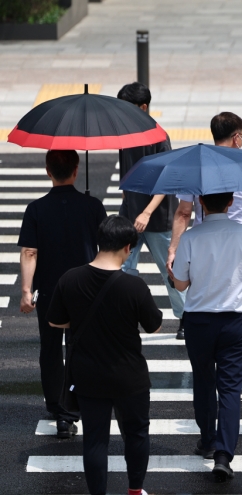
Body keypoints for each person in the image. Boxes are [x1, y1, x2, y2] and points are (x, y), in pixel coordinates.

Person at [46, 215, 162, 495]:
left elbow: (55, 322)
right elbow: (154, 325)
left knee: (95, 441)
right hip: (129, 376)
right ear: (127, 247)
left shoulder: (70, 279)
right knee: (136, 435)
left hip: (88, 375)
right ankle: (135, 490)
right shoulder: (134, 286)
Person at [171, 192, 242, 482]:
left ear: (200, 201)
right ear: (230, 203)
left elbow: (181, 283)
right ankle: (224, 455)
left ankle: (207, 440)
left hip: (199, 319)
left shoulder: (190, 237)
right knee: (231, 387)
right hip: (236, 320)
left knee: (203, 380)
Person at [18, 150, 107, 438]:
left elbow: (30, 252)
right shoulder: (93, 206)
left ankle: (56, 404)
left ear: (47, 171)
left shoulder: (35, 209)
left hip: (52, 292)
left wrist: (26, 290)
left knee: (51, 348)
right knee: (80, 347)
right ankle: (74, 407)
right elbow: (106, 249)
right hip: (86, 290)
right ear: (76, 169)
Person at [167, 111, 242, 339]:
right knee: (234, 296)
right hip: (237, 242)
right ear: (237, 137)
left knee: (202, 293)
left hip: (202, 240)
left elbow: (183, 212)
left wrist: (173, 249)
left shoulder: (198, 165)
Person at [117, 82, 185, 336]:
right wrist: (130, 206)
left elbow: (166, 182)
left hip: (158, 218)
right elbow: (125, 175)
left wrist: (146, 212)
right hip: (131, 216)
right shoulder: (124, 136)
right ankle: (125, 317)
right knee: (123, 269)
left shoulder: (159, 136)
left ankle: (184, 317)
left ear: (143, 108)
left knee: (170, 271)